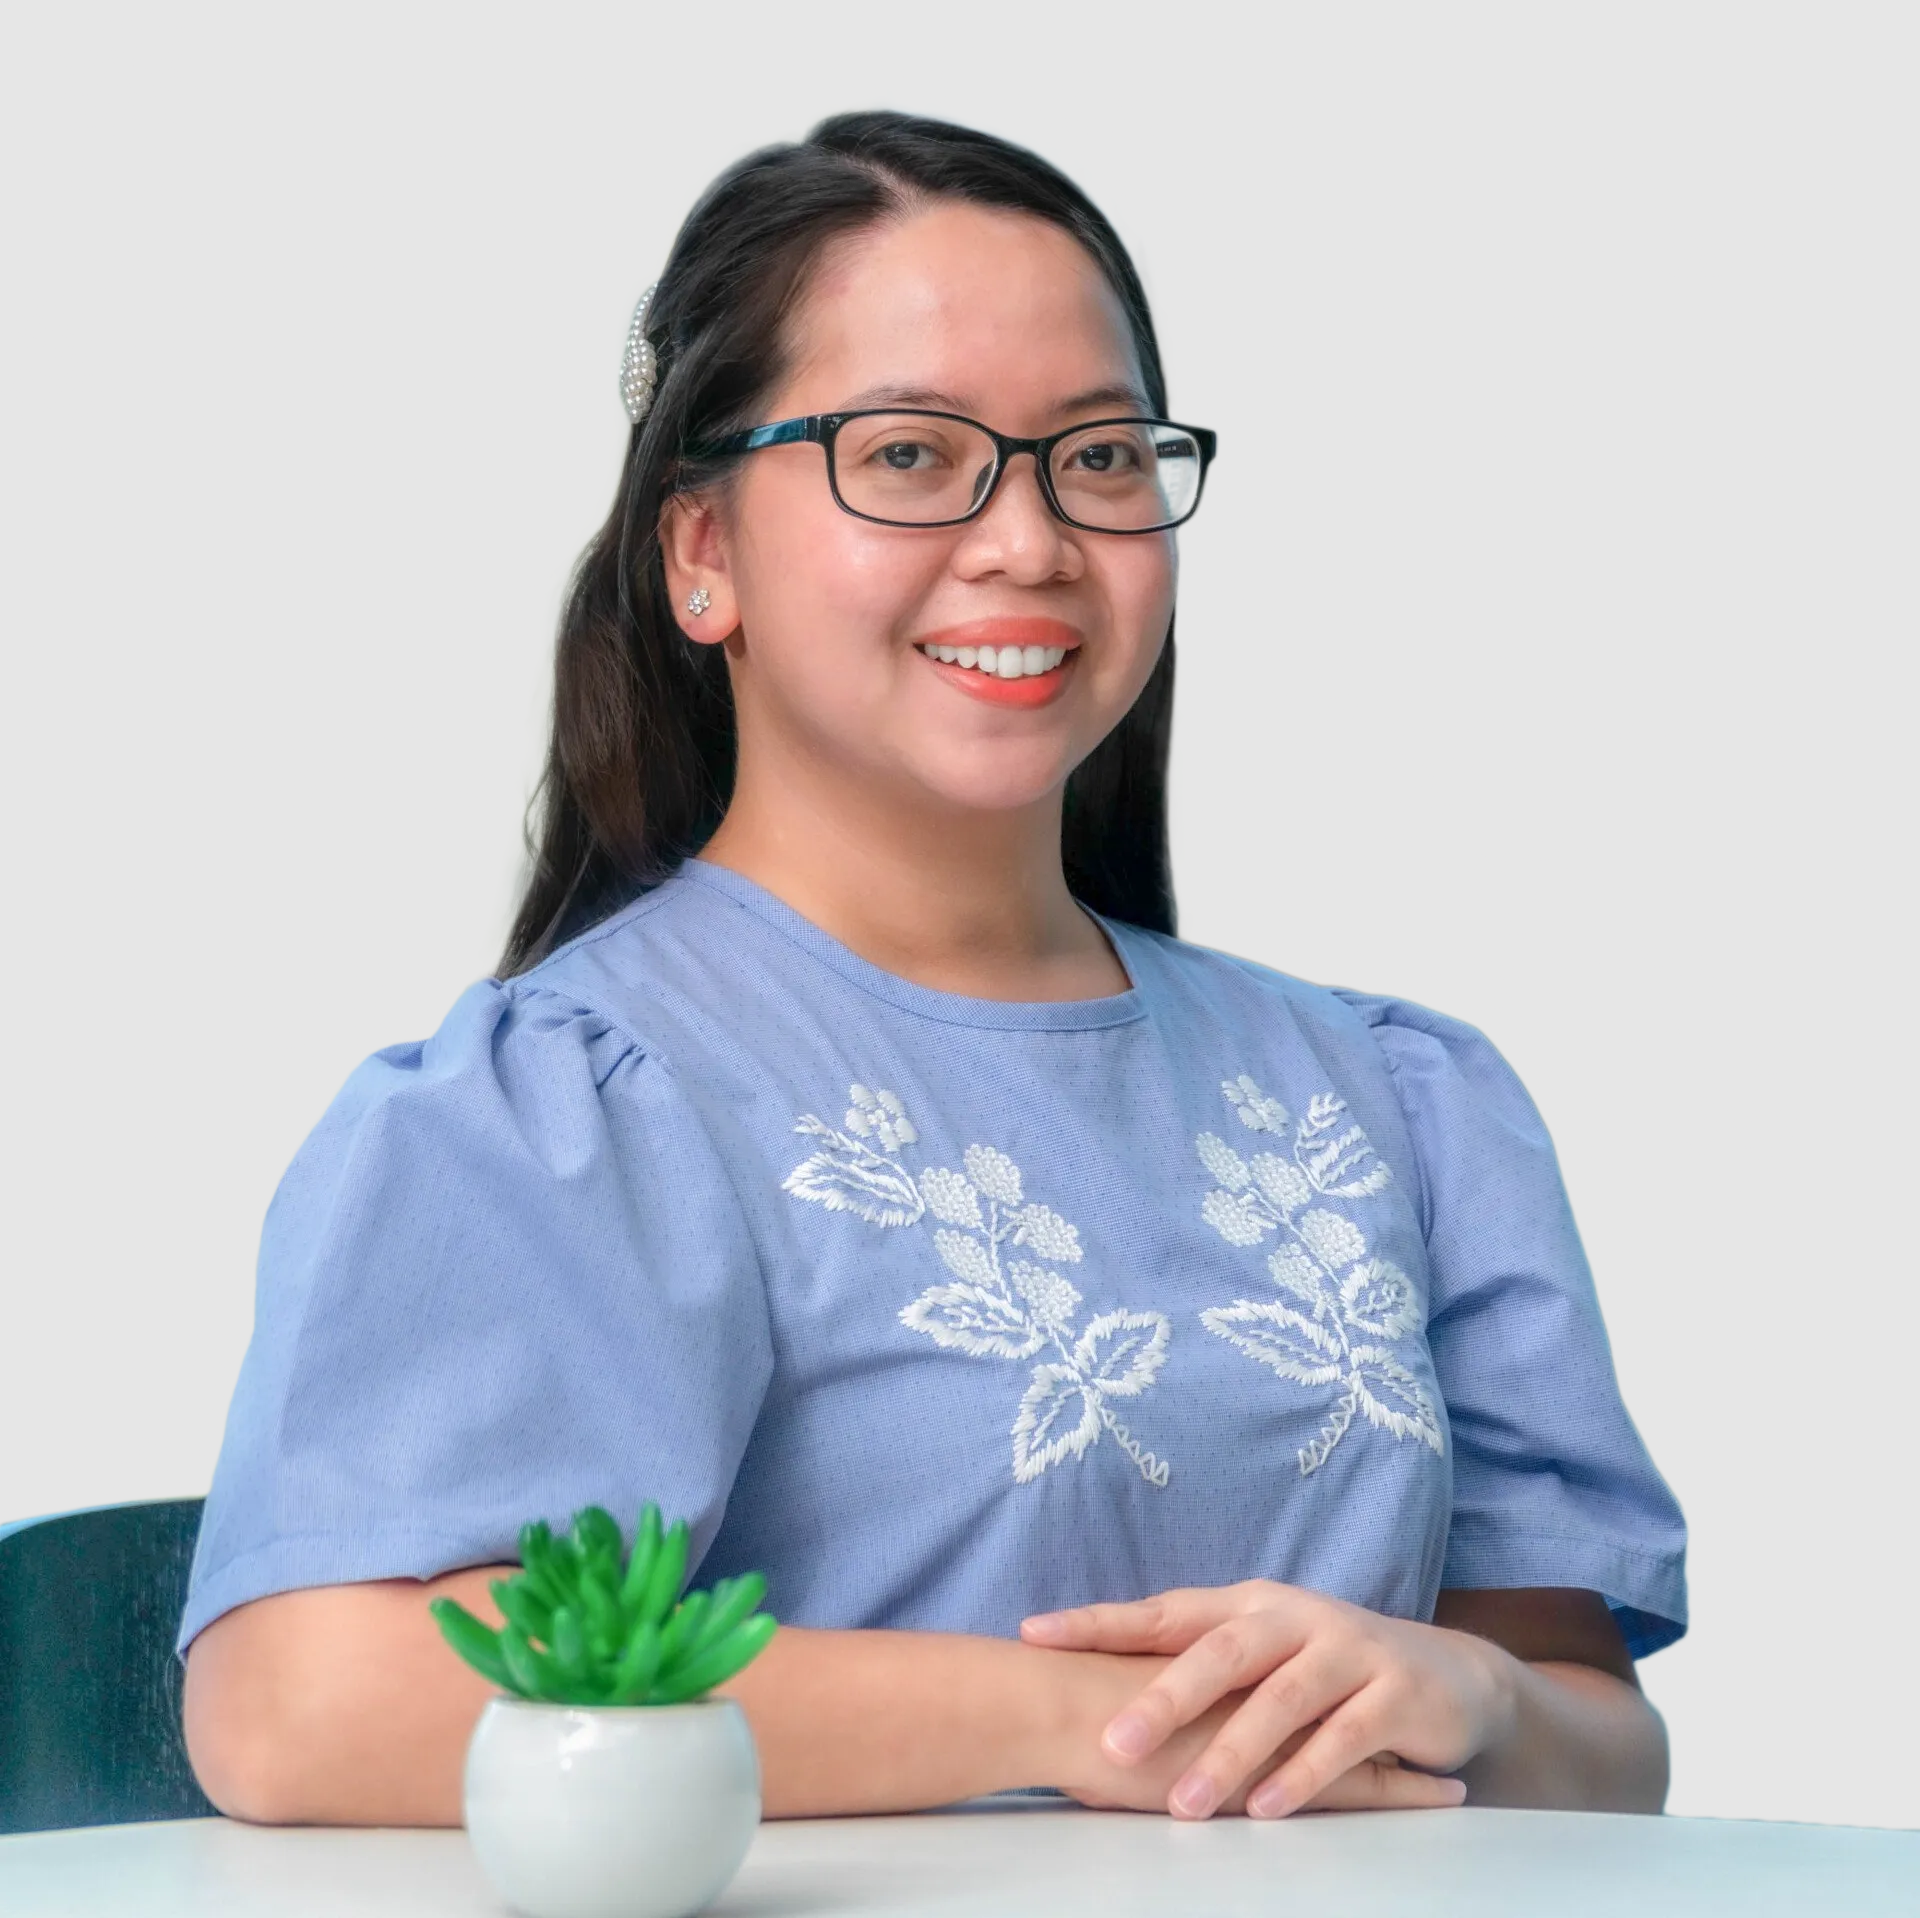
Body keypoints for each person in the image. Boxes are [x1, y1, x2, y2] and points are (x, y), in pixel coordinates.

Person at [178, 110, 1686, 1828]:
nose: (1031, 539)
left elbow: (1601, 1751)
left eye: (1100, 457)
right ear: (701, 554)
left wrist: (1478, 1692)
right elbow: (302, 1695)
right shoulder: (580, 1099)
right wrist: (1070, 1719)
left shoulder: (1399, 1096)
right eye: (907, 455)